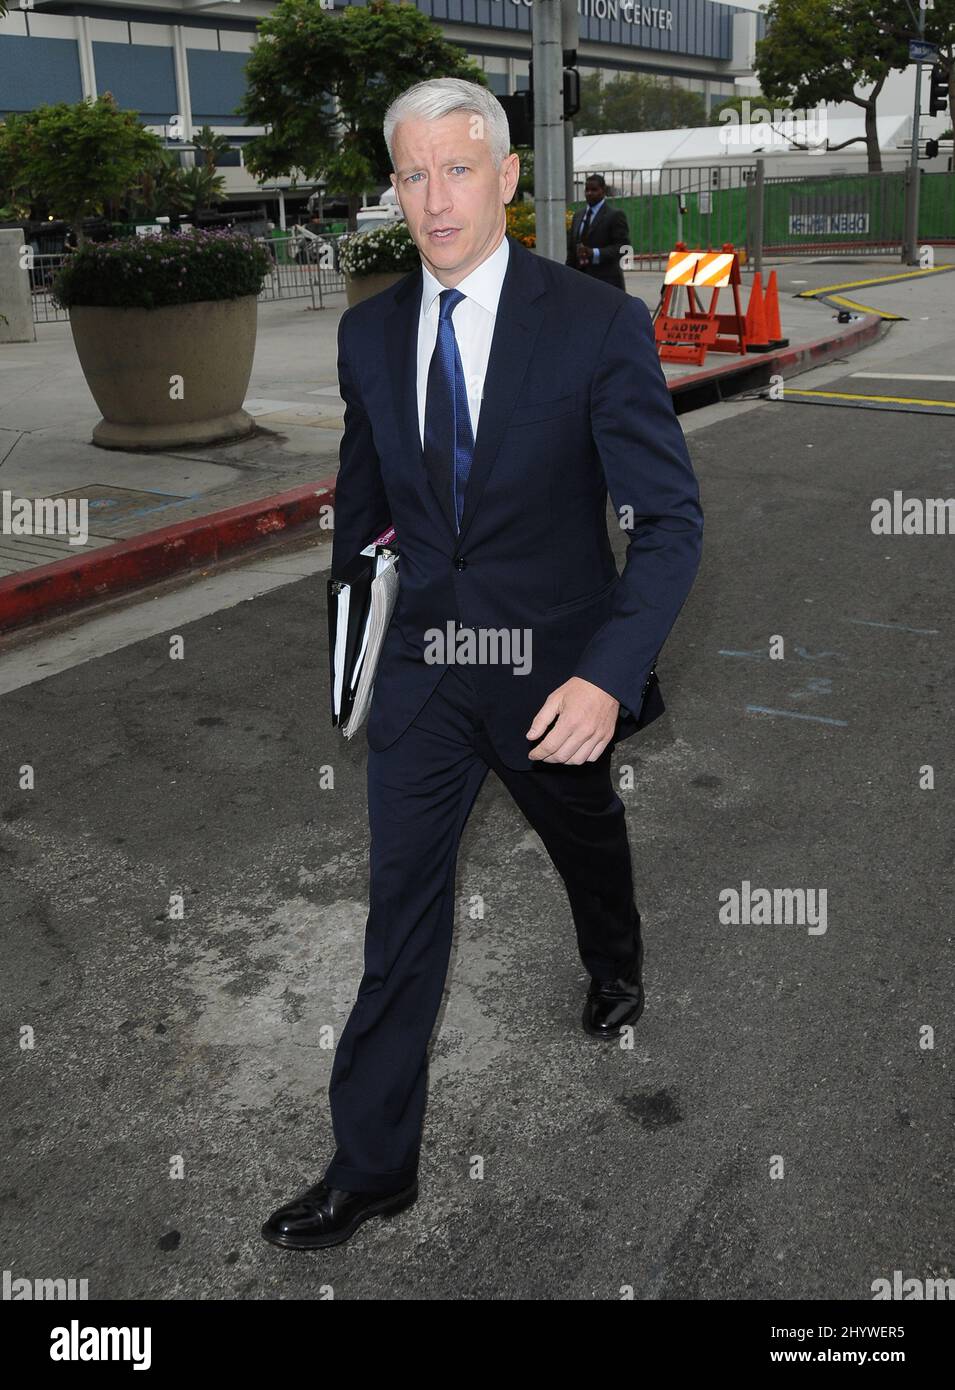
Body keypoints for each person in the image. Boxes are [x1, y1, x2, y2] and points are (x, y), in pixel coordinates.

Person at [262, 77, 703, 1252]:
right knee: (400, 908)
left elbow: (668, 520)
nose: (433, 197)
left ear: (508, 177)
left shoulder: (594, 323)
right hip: (423, 674)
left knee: (583, 835)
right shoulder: (367, 333)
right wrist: (354, 645)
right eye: (411, 173)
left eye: (458, 168)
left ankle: (614, 957)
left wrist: (607, 674)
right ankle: (372, 1165)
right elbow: (364, 519)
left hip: (552, 674)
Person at [566, 173, 630, 291]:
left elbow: (623, 247)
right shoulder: (578, 216)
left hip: (607, 282)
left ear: (603, 191)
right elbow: (571, 250)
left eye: (594, 190)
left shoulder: (615, 216)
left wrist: (595, 253)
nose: (589, 193)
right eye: (587, 190)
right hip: (581, 282)